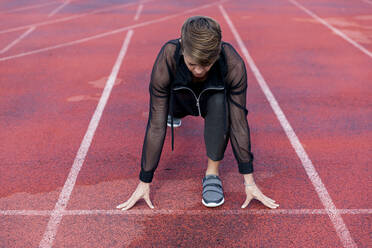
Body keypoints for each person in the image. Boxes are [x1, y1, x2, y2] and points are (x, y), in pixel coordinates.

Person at [116, 16, 279, 210]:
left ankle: (212, 175)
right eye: (192, 64)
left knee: (220, 101)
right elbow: (156, 123)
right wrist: (145, 181)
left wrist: (249, 182)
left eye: (207, 64)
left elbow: (238, 121)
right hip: (178, 100)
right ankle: (175, 114)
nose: (199, 71)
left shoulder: (232, 63)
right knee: (164, 111)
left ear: (217, 53)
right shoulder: (169, 56)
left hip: (211, 100)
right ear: (182, 48)